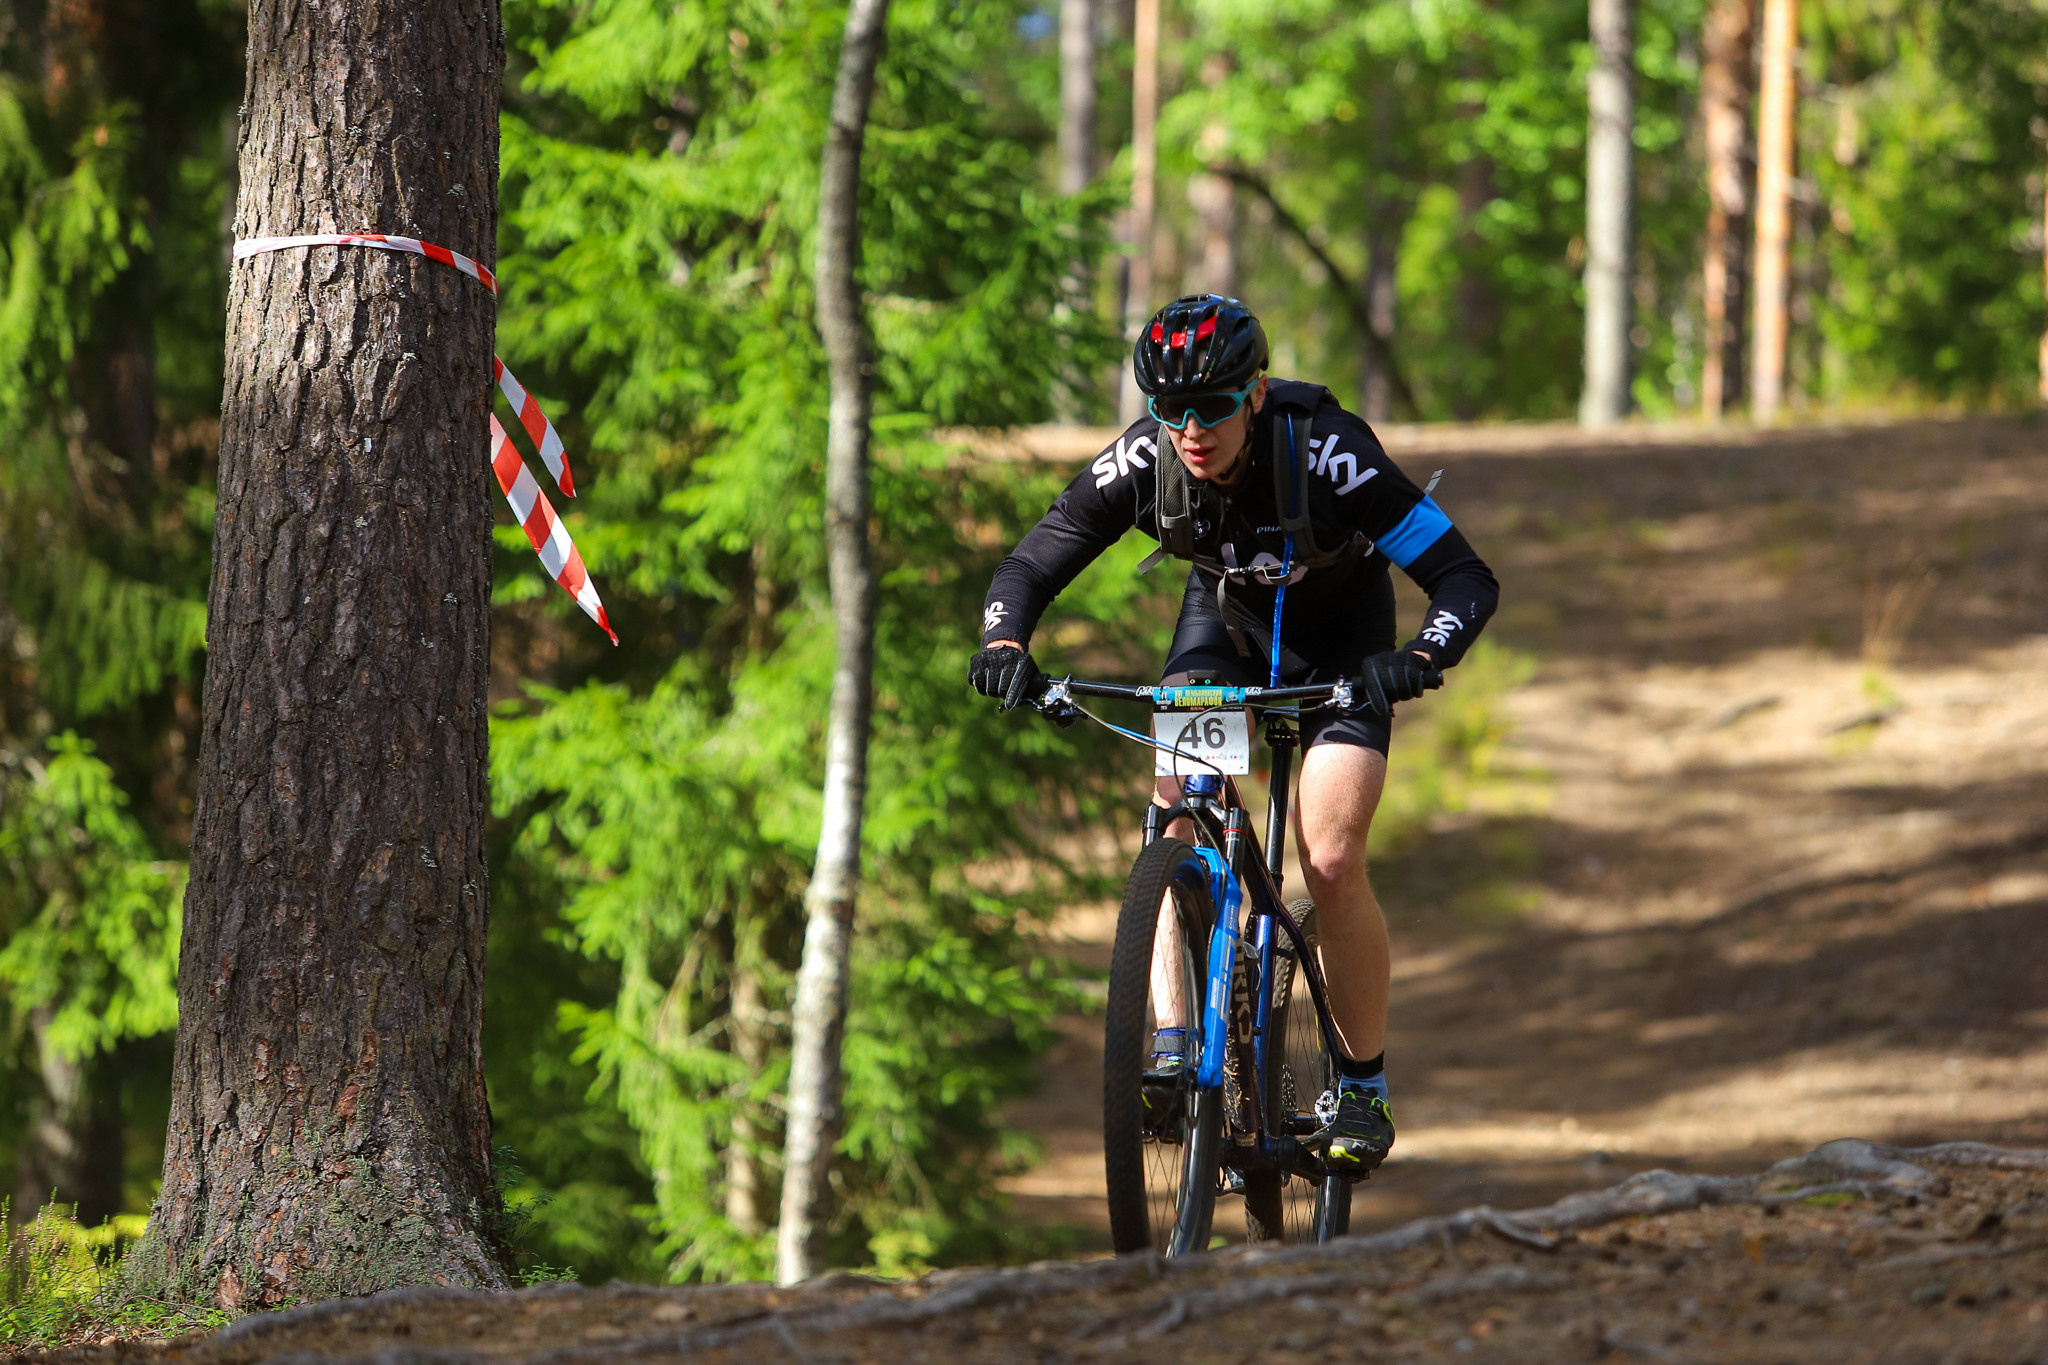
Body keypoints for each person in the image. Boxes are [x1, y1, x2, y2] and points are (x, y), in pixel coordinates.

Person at [969, 294, 1499, 1175]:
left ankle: (1361, 1084)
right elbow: (1031, 561)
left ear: (1254, 393)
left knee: (1327, 854)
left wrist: (1419, 654)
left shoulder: (1328, 451)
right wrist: (1003, 642)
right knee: (1177, 810)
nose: (1189, 430)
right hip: (1226, 630)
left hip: (1344, 645)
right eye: (1168, 410)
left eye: (1210, 407)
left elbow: (1463, 577)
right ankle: (1175, 1045)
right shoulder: (1149, 457)